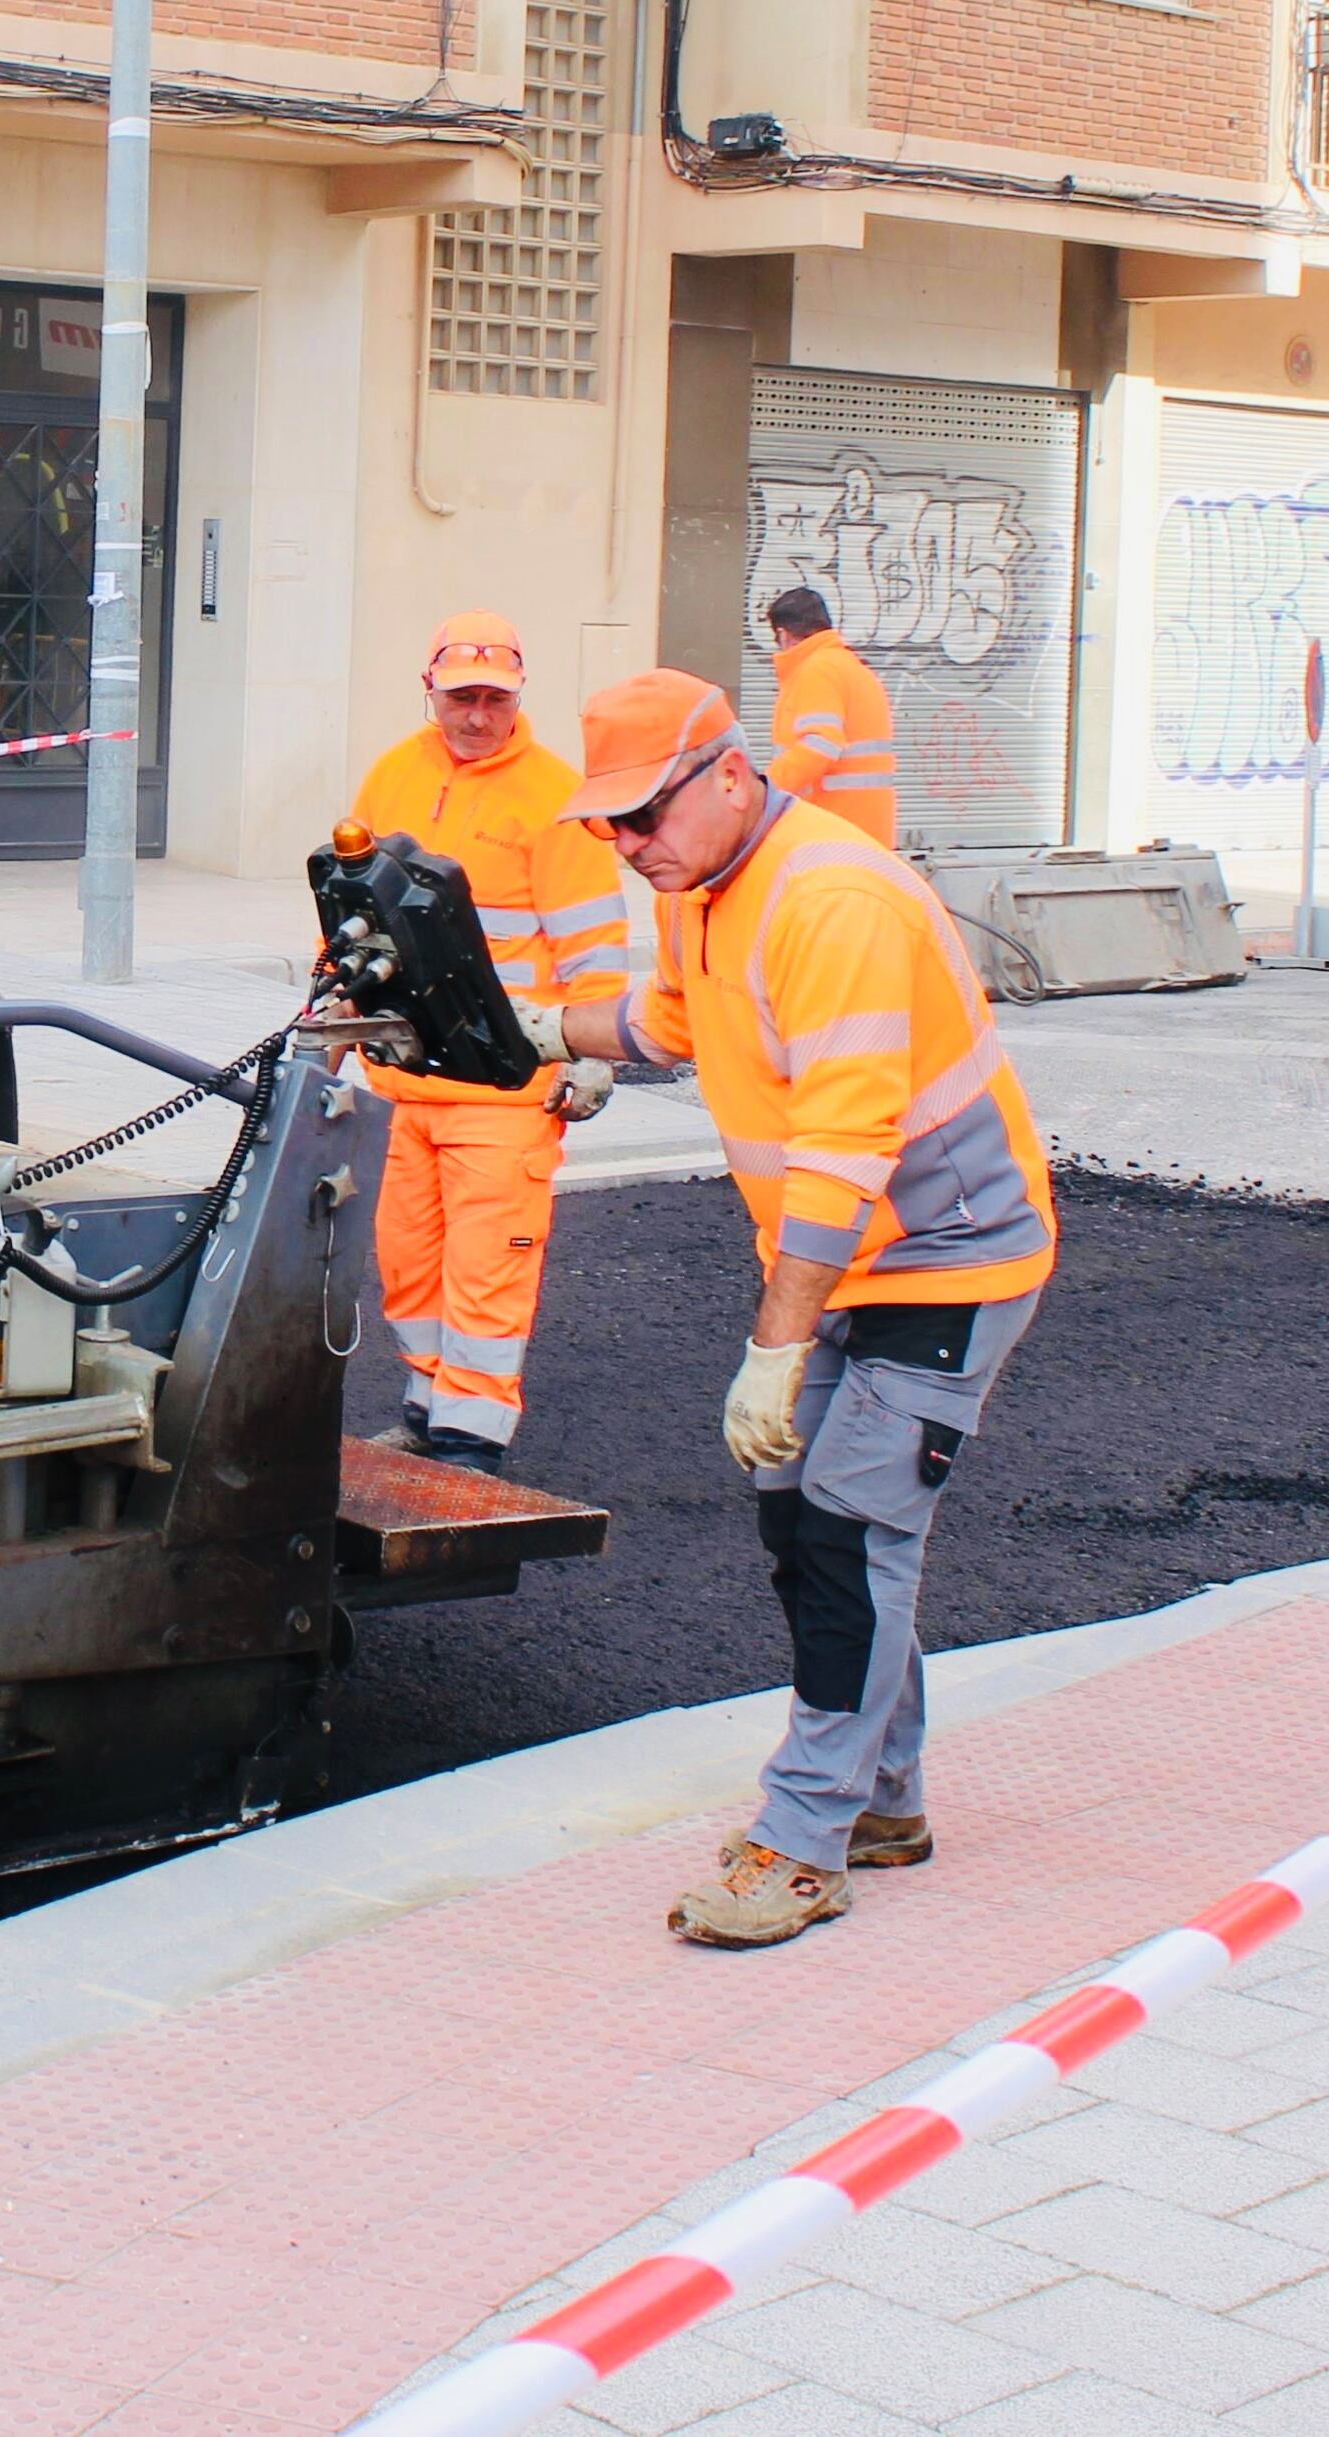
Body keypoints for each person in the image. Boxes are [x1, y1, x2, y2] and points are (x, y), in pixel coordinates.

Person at [516, 669, 1055, 1951]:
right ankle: (880, 1801)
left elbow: (845, 1142)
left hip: (946, 1257)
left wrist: (773, 1348)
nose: (626, 846)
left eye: (642, 817)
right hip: (853, 1262)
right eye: (608, 827)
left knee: (845, 1533)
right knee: (815, 1536)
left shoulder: (829, 897)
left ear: (729, 776)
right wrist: (530, 1029)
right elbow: (672, 1021)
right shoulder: (706, 887)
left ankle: (803, 1841)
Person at [337, 613, 628, 1468]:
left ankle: (470, 1436)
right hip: (402, 1079)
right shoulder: (394, 774)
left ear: (516, 698)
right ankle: (429, 1410)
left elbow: (593, 944)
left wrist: (593, 1049)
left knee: (485, 1269)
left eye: (494, 699)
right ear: (431, 691)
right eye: (462, 696)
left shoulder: (554, 799)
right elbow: (351, 909)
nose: (477, 715)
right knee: (410, 1264)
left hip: (503, 1085)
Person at [761, 584, 900, 849]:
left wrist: (765, 793)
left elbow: (819, 746)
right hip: (863, 833)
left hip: (831, 832)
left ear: (784, 635)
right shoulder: (852, 668)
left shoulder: (817, 670)